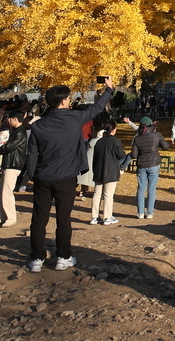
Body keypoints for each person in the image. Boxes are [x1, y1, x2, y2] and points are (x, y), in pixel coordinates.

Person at [24, 77, 116, 272]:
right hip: (66, 177)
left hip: (43, 176)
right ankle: (63, 257)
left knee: (38, 219)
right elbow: (97, 108)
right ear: (64, 101)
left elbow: (31, 153)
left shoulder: (38, 125)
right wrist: (108, 90)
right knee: (63, 219)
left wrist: (33, 175)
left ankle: (37, 259)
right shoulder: (74, 118)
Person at [127, 116, 169, 219]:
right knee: (151, 189)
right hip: (154, 164)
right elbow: (166, 147)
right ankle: (150, 212)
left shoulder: (137, 138)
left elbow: (134, 155)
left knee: (141, 189)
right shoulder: (156, 135)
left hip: (142, 165)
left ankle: (140, 212)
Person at [0, 111, 29, 227]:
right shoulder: (15, 131)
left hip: (13, 164)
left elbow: (8, 147)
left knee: (7, 191)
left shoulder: (20, 133)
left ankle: (11, 217)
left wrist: (1, 147)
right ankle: (2, 217)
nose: (8, 120)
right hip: (8, 163)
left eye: (10, 118)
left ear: (15, 119)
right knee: (1, 191)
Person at [90, 119, 125, 225]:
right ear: (113, 130)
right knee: (108, 195)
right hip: (111, 171)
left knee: (97, 194)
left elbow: (94, 157)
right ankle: (107, 216)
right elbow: (121, 155)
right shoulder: (115, 141)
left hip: (99, 171)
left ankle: (94, 216)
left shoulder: (98, 142)